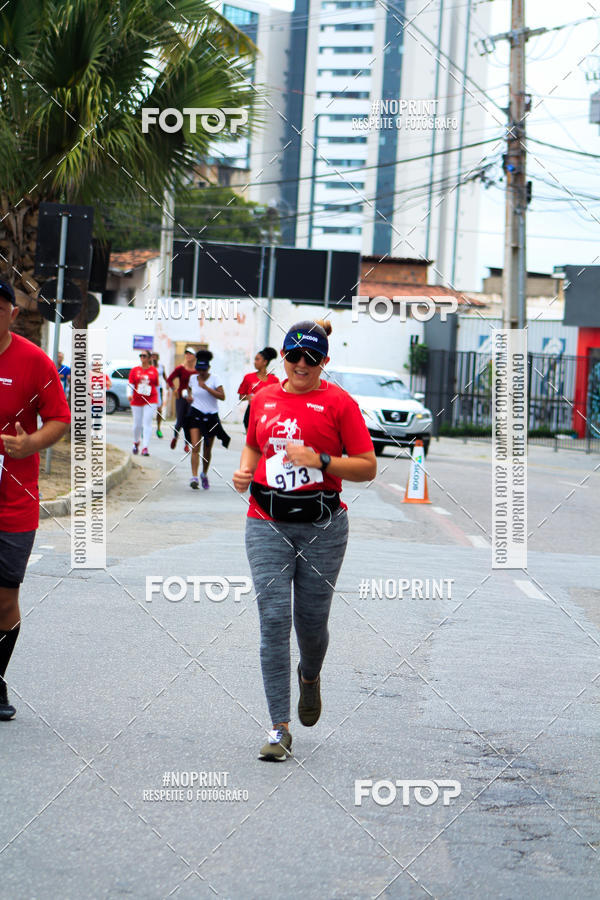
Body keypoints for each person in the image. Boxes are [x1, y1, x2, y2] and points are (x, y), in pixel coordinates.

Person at [233, 319, 376, 761]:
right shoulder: (263, 397)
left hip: (322, 526)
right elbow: (254, 445)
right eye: (293, 356)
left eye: (310, 358)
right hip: (265, 520)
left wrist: (322, 460)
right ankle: (278, 729)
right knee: (273, 621)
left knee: (310, 626)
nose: (300, 364)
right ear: (283, 357)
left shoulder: (339, 403)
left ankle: (309, 677)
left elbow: (367, 466)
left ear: (323, 362)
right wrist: (243, 470)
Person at [0, 279, 70, 720]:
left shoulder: (34, 362)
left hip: (14, 502)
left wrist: (31, 445)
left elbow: (59, 419)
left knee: (5, 599)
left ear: (11, 313)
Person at [188, 350, 230, 490]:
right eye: (199, 369)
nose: (201, 372)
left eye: (204, 370)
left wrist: (206, 387)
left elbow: (222, 396)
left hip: (211, 416)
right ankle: (194, 477)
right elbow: (189, 390)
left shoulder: (215, 379)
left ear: (208, 368)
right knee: (195, 446)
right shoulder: (193, 379)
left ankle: (204, 474)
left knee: (207, 449)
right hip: (195, 414)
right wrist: (188, 397)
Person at [238, 347, 279, 431]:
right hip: (251, 412)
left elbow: (278, 399)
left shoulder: (274, 380)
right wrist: (248, 397)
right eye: (254, 359)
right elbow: (240, 397)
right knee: (251, 442)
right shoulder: (248, 377)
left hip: (268, 413)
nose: (254, 362)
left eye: (257, 359)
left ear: (265, 362)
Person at [128, 350, 159, 456]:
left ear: (150, 358)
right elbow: (131, 383)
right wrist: (129, 394)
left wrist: (160, 401)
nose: (142, 357)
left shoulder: (154, 370)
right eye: (140, 355)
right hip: (137, 399)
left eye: (144, 356)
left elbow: (157, 386)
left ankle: (145, 447)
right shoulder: (135, 370)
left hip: (151, 399)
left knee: (147, 422)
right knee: (137, 425)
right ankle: (136, 442)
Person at [166, 347, 197, 452]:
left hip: (192, 399)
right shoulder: (180, 368)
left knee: (188, 421)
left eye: (190, 354)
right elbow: (169, 379)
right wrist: (174, 389)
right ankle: (175, 437)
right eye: (186, 354)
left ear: (194, 357)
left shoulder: (197, 371)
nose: (188, 356)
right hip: (181, 397)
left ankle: (187, 444)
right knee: (180, 420)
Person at [150, 351, 166, 438]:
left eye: (156, 356)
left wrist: (168, 384)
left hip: (158, 389)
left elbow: (165, 377)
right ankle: (144, 428)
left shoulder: (161, 366)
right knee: (147, 409)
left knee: (159, 410)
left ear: (158, 357)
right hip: (149, 389)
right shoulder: (148, 366)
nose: (154, 358)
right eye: (152, 356)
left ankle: (159, 429)